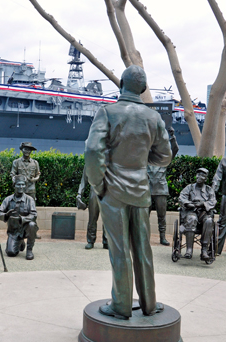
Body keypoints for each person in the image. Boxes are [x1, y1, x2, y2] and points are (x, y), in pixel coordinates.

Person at [85, 65, 172, 320]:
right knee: (143, 249)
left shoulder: (107, 112)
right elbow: (165, 156)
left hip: (113, 190)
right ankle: (149, 304)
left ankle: (121, 305)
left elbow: (92, 152)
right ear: (144, 89)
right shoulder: (153, 117)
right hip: (141, 190)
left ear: (121, 83)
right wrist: (144, 159)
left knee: (119, 250)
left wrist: (98, 185)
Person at [148, 126, 179, 246]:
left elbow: (175, 149)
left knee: (162, 216)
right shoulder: (145, 160)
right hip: (148, 191)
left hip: (161, 190)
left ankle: (162, 238)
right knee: (145, 217)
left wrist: (172, 137)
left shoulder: (164, 160)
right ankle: (144, 238)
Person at [0, 175, 38, 260]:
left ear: (25, 186)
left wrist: (22, 219)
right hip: (14, 231)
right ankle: (20, 241)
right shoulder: (8, 199)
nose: (21, 187)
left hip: (26, 229)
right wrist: (6, 215)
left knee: (32, 225)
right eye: (18, 184)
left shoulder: (29, 199)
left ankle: (29, 250)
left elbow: (34, 215)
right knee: (11, 253)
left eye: (23, 184)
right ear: (14, 185)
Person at [178, 168, 217, 260]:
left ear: (206, 179)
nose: (199, 177)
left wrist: (203, 204)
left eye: (202, 175)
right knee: (191, 218)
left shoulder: (209, 190)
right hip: (190, 212)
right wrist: (188, 203)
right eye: (198, 174)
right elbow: (182, 197)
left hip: (204, 213)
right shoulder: (189, 187)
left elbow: (213, 201)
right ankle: (189, 249)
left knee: (209, 221)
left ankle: (204, 250)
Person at [76, 165, 107, 250]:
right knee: (92, 218)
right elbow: (84, 180)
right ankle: (90, 240)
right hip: (94, 191)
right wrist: (79, 194)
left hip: (107, 192)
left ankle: (107, 241)